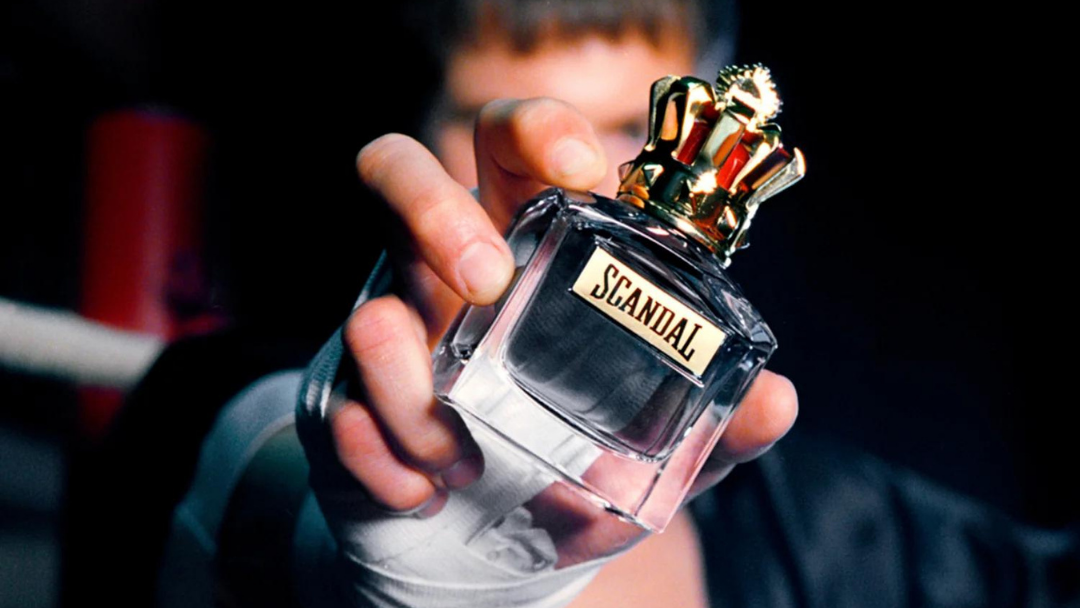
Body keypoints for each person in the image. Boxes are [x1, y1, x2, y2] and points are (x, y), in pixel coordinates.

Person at [83, 1, 1080, 607]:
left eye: (627, 127)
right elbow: (253, 469)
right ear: (428, 133)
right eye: (505, 118)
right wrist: (347, 558)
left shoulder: (867, 541)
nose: (590, 181)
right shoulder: (226, 389)